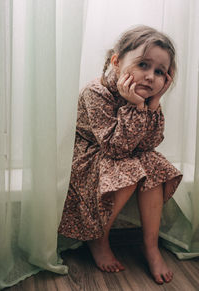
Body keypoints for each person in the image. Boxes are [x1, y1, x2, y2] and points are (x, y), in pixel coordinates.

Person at [58, 25, 183, 285]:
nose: (150, 76)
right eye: (143, 65)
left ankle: (150, 247)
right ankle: (97, 238)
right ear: (117, 62)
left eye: (160, 72)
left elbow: (149, 143)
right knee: (129, 169)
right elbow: (115, 148)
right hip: (91, 156)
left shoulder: (148, 97)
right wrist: (136, 106)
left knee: (155, 168)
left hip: (121, 153)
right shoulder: (97, 92)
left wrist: (153, 104)